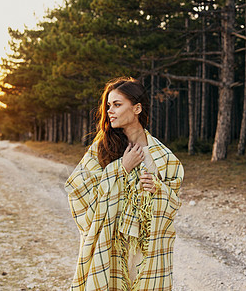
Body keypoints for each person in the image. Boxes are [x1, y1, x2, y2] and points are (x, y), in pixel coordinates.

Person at [65, 77, 184, 291]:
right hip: (110, 245)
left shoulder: (163, 157)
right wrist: (121, 168)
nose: (110, 111)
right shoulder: (101, 149)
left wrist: (158, 190)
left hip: (145, 250)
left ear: (137, 108)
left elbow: (174, 204)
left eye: (117, 105)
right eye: (109, 105)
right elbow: (77, 192)